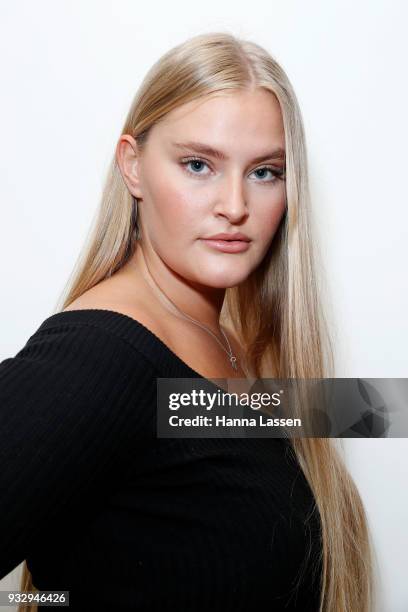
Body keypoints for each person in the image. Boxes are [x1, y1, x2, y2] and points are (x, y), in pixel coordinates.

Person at [0, 32, 378, 611]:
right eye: (198, 164)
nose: (234, 205)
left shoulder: (230, 344)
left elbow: (366, 418)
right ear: (132, 166)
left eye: (265, 172)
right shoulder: (101, 352)